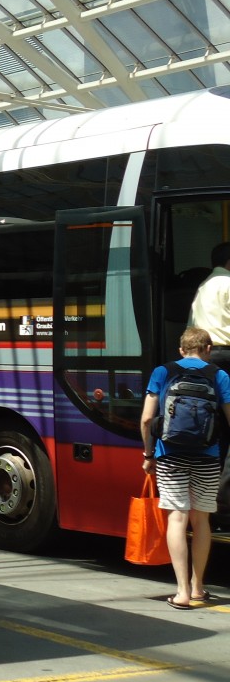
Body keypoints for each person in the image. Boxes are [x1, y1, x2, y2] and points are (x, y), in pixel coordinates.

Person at [139, 327, 230, 609]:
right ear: (208, 349)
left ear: (181, 350)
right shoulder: (220, 375)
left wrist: (149, 454)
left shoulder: (162, 372)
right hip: (207, 455)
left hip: (170, 455)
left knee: (177, 518)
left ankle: (181, 592)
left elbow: (145, 420)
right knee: (201, 521)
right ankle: (198, 587)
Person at [188, 242, 230, 525]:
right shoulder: (227, 284)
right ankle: (224, 501)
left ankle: (207, 498)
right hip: (228, 355)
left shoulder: (203, 287)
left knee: (214, 430)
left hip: (206, 359)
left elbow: (191, 326)